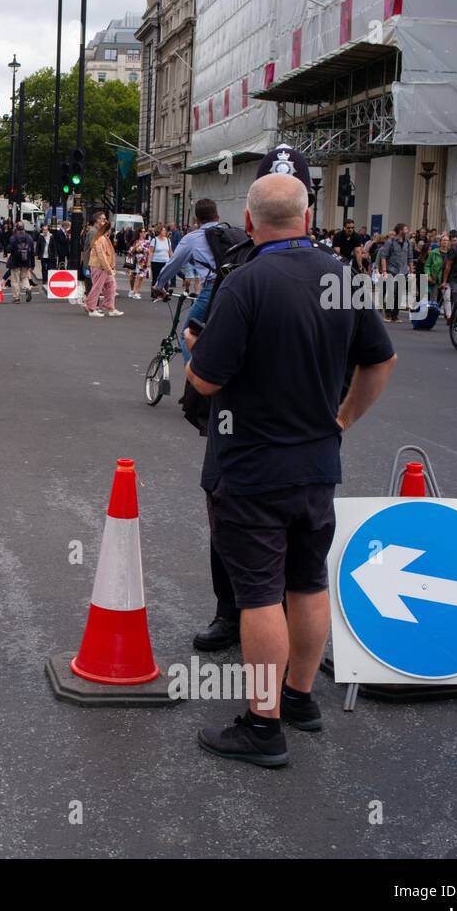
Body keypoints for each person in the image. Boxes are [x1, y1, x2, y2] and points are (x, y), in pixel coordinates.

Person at [186, 173, 396, 767]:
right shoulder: (344, 278)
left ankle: (262, 723)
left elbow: (206, 378)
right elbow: (381, 362)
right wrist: (343, 419)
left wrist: (190, 343)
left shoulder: (245, 283)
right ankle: (300, 698)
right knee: (307, 583)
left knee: (258, 596)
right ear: (307, 219)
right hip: (317, 463)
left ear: (250, 223)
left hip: (252, 464)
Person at [152, 199, 244, 361]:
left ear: (197, 220)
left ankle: (197, 379)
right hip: (239, 288)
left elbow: (172, 265)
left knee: (187, 333)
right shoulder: (233, 233)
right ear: (218, 217)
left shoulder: (193, 238)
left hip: (211, 290)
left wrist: (159, 286)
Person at [83, 211, 120, 317]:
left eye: (105, 219)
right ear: (97, 220)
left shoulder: (100, 233)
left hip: (102, 265)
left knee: (111, 285)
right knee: (97, 287)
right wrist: (108, 268)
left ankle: (109, 307)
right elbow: (98, 252)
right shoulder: (95, 233)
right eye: (102, 219)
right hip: (98, 265)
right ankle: (91, 307)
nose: (104, 221)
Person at [377, 223, 413, 322]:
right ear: (400, 230)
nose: (407, 231)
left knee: (399, 293)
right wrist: (384, 270)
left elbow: (410, 258)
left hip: (403, 271)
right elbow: (383, 256)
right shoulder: (390, 242)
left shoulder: (408, 243)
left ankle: (395, 315)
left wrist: (412, 272)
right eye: (406, 229)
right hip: (391, 270)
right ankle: (388, 313)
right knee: (391, 291)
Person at [6, 220, 36, 303]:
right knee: (25, 277)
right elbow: (32, 252)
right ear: (24, 228)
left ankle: (16, 298)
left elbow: (9, 249)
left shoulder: (13, 237)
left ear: (16, 228)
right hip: (26, 261)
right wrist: (32, 264)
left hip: (15, 261)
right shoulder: (29, 237)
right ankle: (28, 288)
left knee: (15, 280)